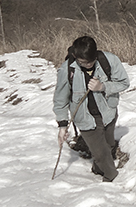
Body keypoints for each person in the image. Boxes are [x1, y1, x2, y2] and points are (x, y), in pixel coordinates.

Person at [53, 35, 130, 182]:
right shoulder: (67, 70)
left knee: (108, 145)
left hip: (108, 112)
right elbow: (60, 100)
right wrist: (62, 126)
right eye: (83, 62)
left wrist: (103, 86)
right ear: (75, 56)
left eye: (91, 61)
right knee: (102, 153)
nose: (88, 65)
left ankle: (97, 168)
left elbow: (124, 83)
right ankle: (111, 180)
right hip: (84, 118)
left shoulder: (109, 60)